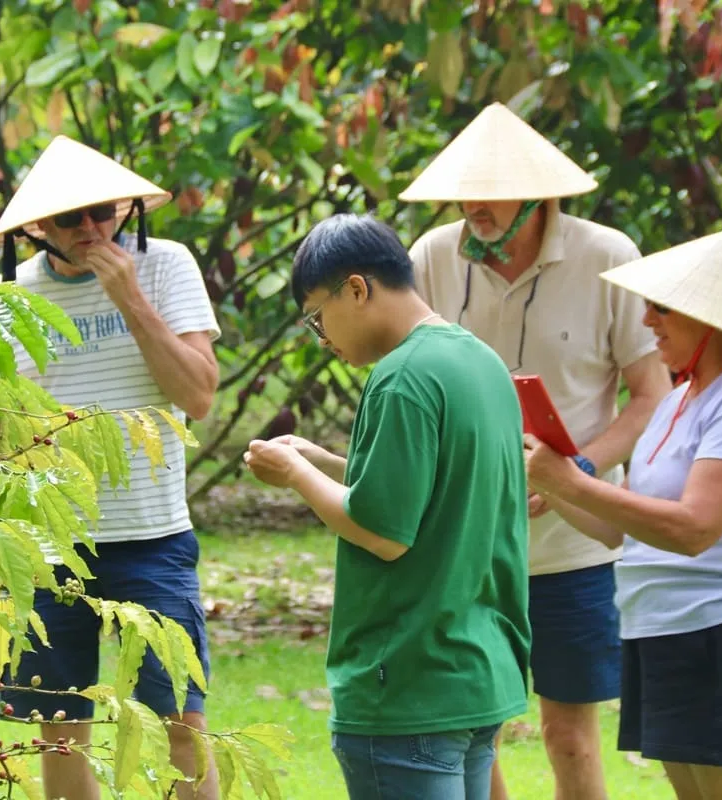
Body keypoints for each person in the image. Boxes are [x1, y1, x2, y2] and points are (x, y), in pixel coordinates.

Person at [400, 101, 673, 800]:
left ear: (539, 194)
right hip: (465, 538)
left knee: (570, 739)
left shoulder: (608, 256)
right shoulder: (431, 256)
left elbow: (651, 392)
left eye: (490, 193)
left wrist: (577, 475)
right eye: (464, 192)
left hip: (572, 547)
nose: (473, 208)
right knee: (470, 727)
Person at [243, 214, 531, 800]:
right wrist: (320, 459)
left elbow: (385, 532)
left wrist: (295, 474)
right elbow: (431, 491)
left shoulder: (401, 377)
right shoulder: (480, 363)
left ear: (355, 289)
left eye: (317, 318)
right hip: (476, 675)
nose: (322, 339)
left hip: (408, 683)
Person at [524, 227, 722, 800]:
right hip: (661, 630)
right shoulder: (680, 401)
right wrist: (550, 482)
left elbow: (693, 528)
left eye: (661, 309)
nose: (647, 322)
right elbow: (619, 529)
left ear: (710, 318)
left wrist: (570, 481)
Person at [0, 135, 221, 800]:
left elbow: (199, 395)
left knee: (182, 722)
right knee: (60, 732)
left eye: (104, 211)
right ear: (38, 228)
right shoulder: (9, 297)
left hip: (152, 540)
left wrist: (131, 301)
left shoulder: (168, 265)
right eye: (71, 219)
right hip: (48, 544)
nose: (93, 230)